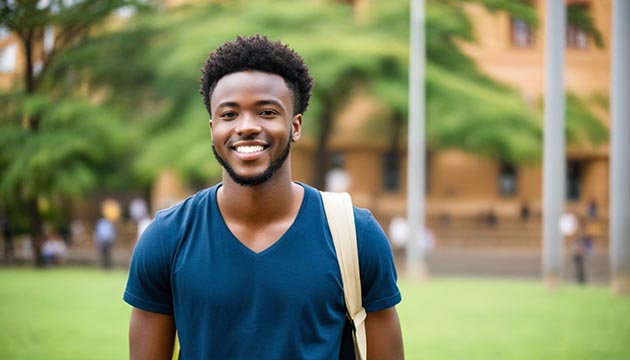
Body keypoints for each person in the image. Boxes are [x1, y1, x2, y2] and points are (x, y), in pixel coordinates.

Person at [124, 35, 403, 359]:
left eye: (267, 112)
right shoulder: (166, 238)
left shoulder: (356, 236)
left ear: (295, 125)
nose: (246, 127)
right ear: (212, 128)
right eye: (229, 115)